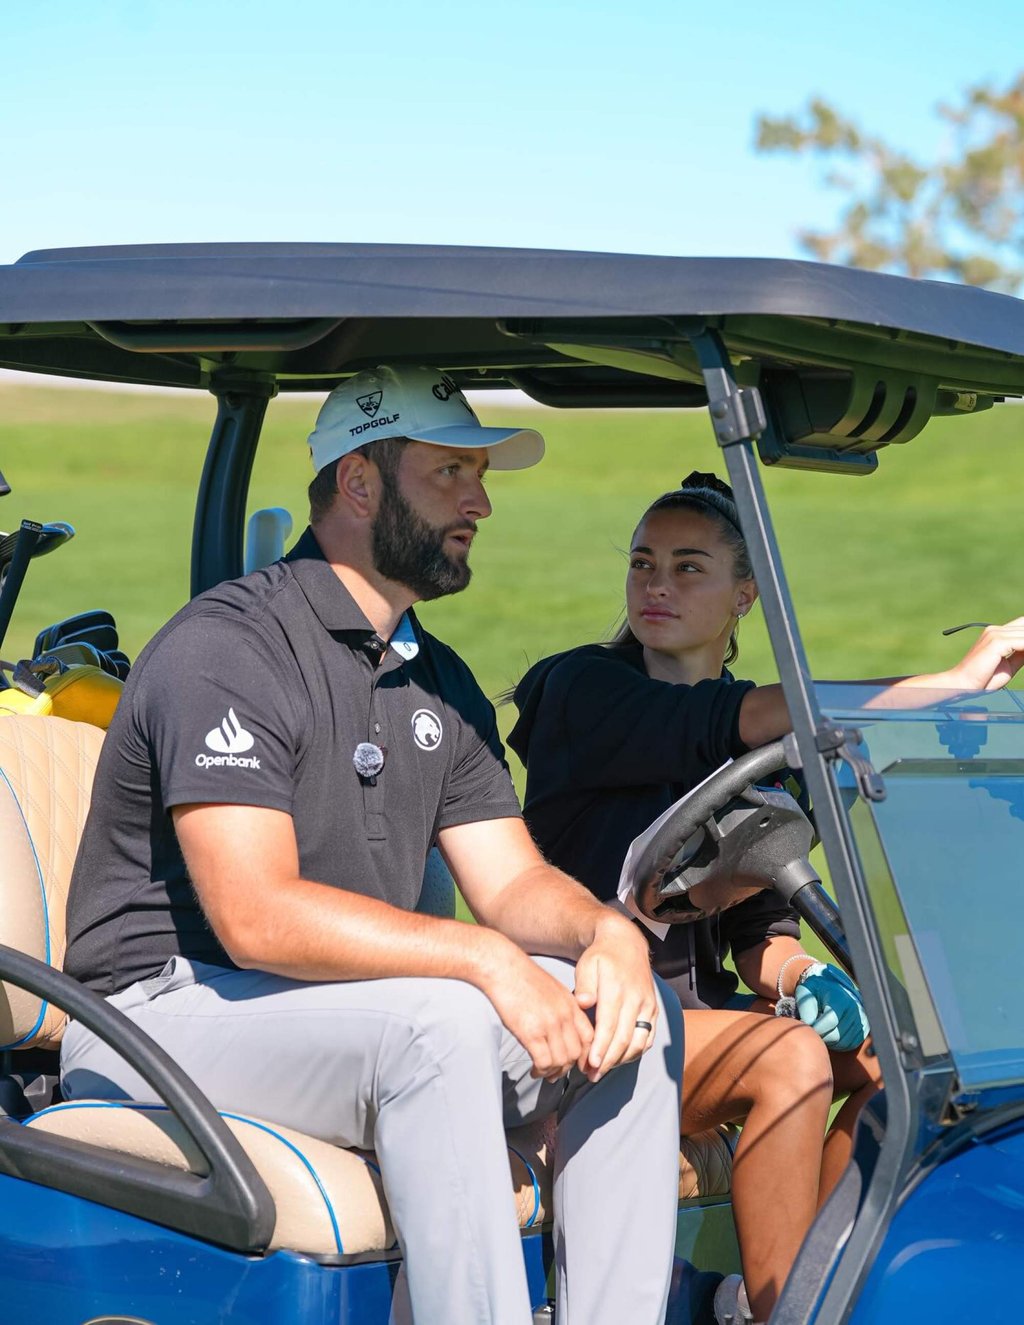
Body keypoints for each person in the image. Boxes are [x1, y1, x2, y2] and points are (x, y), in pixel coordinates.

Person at [60, 364, 685, 1325]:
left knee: (629, 1014)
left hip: (317, 1012)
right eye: (450, 474)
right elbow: (256, 916)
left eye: (480, 475)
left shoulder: (434, 676)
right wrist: (484, 959)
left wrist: (607, 936)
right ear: (360, 483)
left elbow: (511, 878)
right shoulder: (228, 647)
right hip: (155, 1016)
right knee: (437, 1029)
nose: (479, 502)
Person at [508, 471, 1024, 1324]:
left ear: (744, 594)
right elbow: (728, 720)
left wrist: (799, 979)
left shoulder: (754, 740)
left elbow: (759, 929)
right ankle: (787, 1309)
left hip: (687, 1026)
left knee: (905, 1060)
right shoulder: (584, 691)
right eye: (643, 564)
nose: (657, 586)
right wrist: (954, 682)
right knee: (787, 1059)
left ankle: (801, 1289)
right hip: (585, 1018)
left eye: (687, 567)